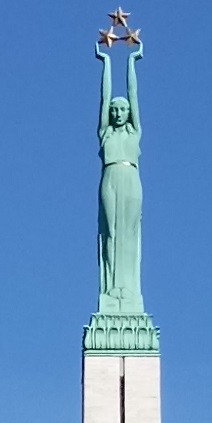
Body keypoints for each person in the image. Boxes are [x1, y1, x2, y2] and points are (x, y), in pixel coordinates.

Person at [95, 41, 144, 312]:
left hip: (131, 178)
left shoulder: (134, 133)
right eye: (114, 109)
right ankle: (112, 288)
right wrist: (106, 64)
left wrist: (131, 63)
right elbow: (104, 98)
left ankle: (129, 289)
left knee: (130, 233)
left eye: (121, 109)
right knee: (111, 232)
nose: (116, 112)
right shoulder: (106, 134)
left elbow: (134, 95)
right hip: (110, 178)